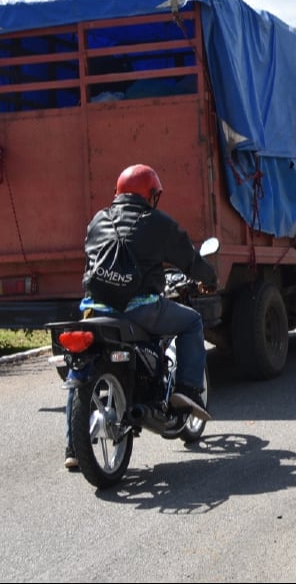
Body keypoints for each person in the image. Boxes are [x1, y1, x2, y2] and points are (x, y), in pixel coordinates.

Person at [65, 164, 217, 470]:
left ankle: (72, 448)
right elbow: (187, 257)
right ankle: (187, 392)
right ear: (151, 194)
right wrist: (209, 278)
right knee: (191, 322)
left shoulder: (98, 220)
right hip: (141, 308)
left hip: (94, 310)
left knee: (77, 370)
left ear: (119, 192)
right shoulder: (156, 222)